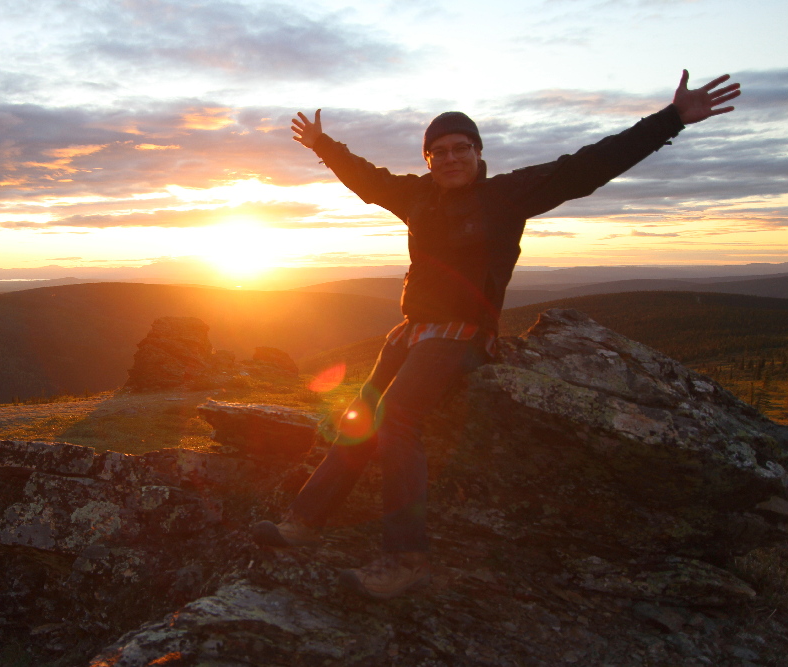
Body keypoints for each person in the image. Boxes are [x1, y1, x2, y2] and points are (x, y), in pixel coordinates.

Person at [252, 70, 741, 599]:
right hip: (411, 333)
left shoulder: (508, 196)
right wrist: (324, 144)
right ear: (428, 160)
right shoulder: (416, 197)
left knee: (396, 419)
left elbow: (588, 165)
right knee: (359, 418)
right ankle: (303, 522)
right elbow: (367, 179)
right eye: (438, 151)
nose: (450, 157)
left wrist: (669, 120)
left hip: (463, 335)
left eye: (461, 147)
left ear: (479, 153)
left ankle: (406, 557)